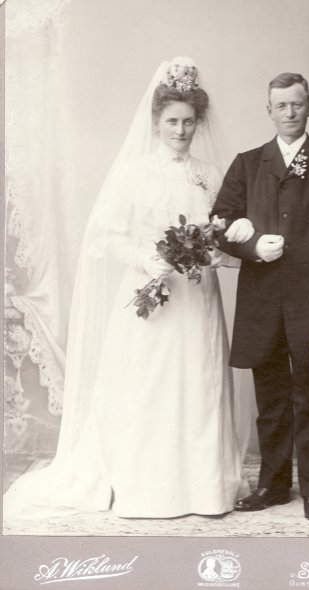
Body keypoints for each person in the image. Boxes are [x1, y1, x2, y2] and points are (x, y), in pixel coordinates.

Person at [4, 57, 250, 520]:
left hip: (198, 297)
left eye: (188, 121)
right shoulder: (135, 173)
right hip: (151, 294)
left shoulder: (209, 175)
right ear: (156, 122)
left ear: (199, 122)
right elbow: (105, 236)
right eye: (172, 121)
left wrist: (217, 252)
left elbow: (219, 234)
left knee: (198, 381)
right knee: (149, 384)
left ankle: (202, 489)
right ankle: (147, 488)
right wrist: (145, 259)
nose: (180, 130)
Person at [212, 72, 309, 522]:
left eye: (297, 104)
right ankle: (273, 486)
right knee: (271, 401)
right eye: (281, 105)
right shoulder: (247, 164)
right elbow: (220, 223)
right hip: (262, 303)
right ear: (269, 111)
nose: (290, 113)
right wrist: (253, 246)